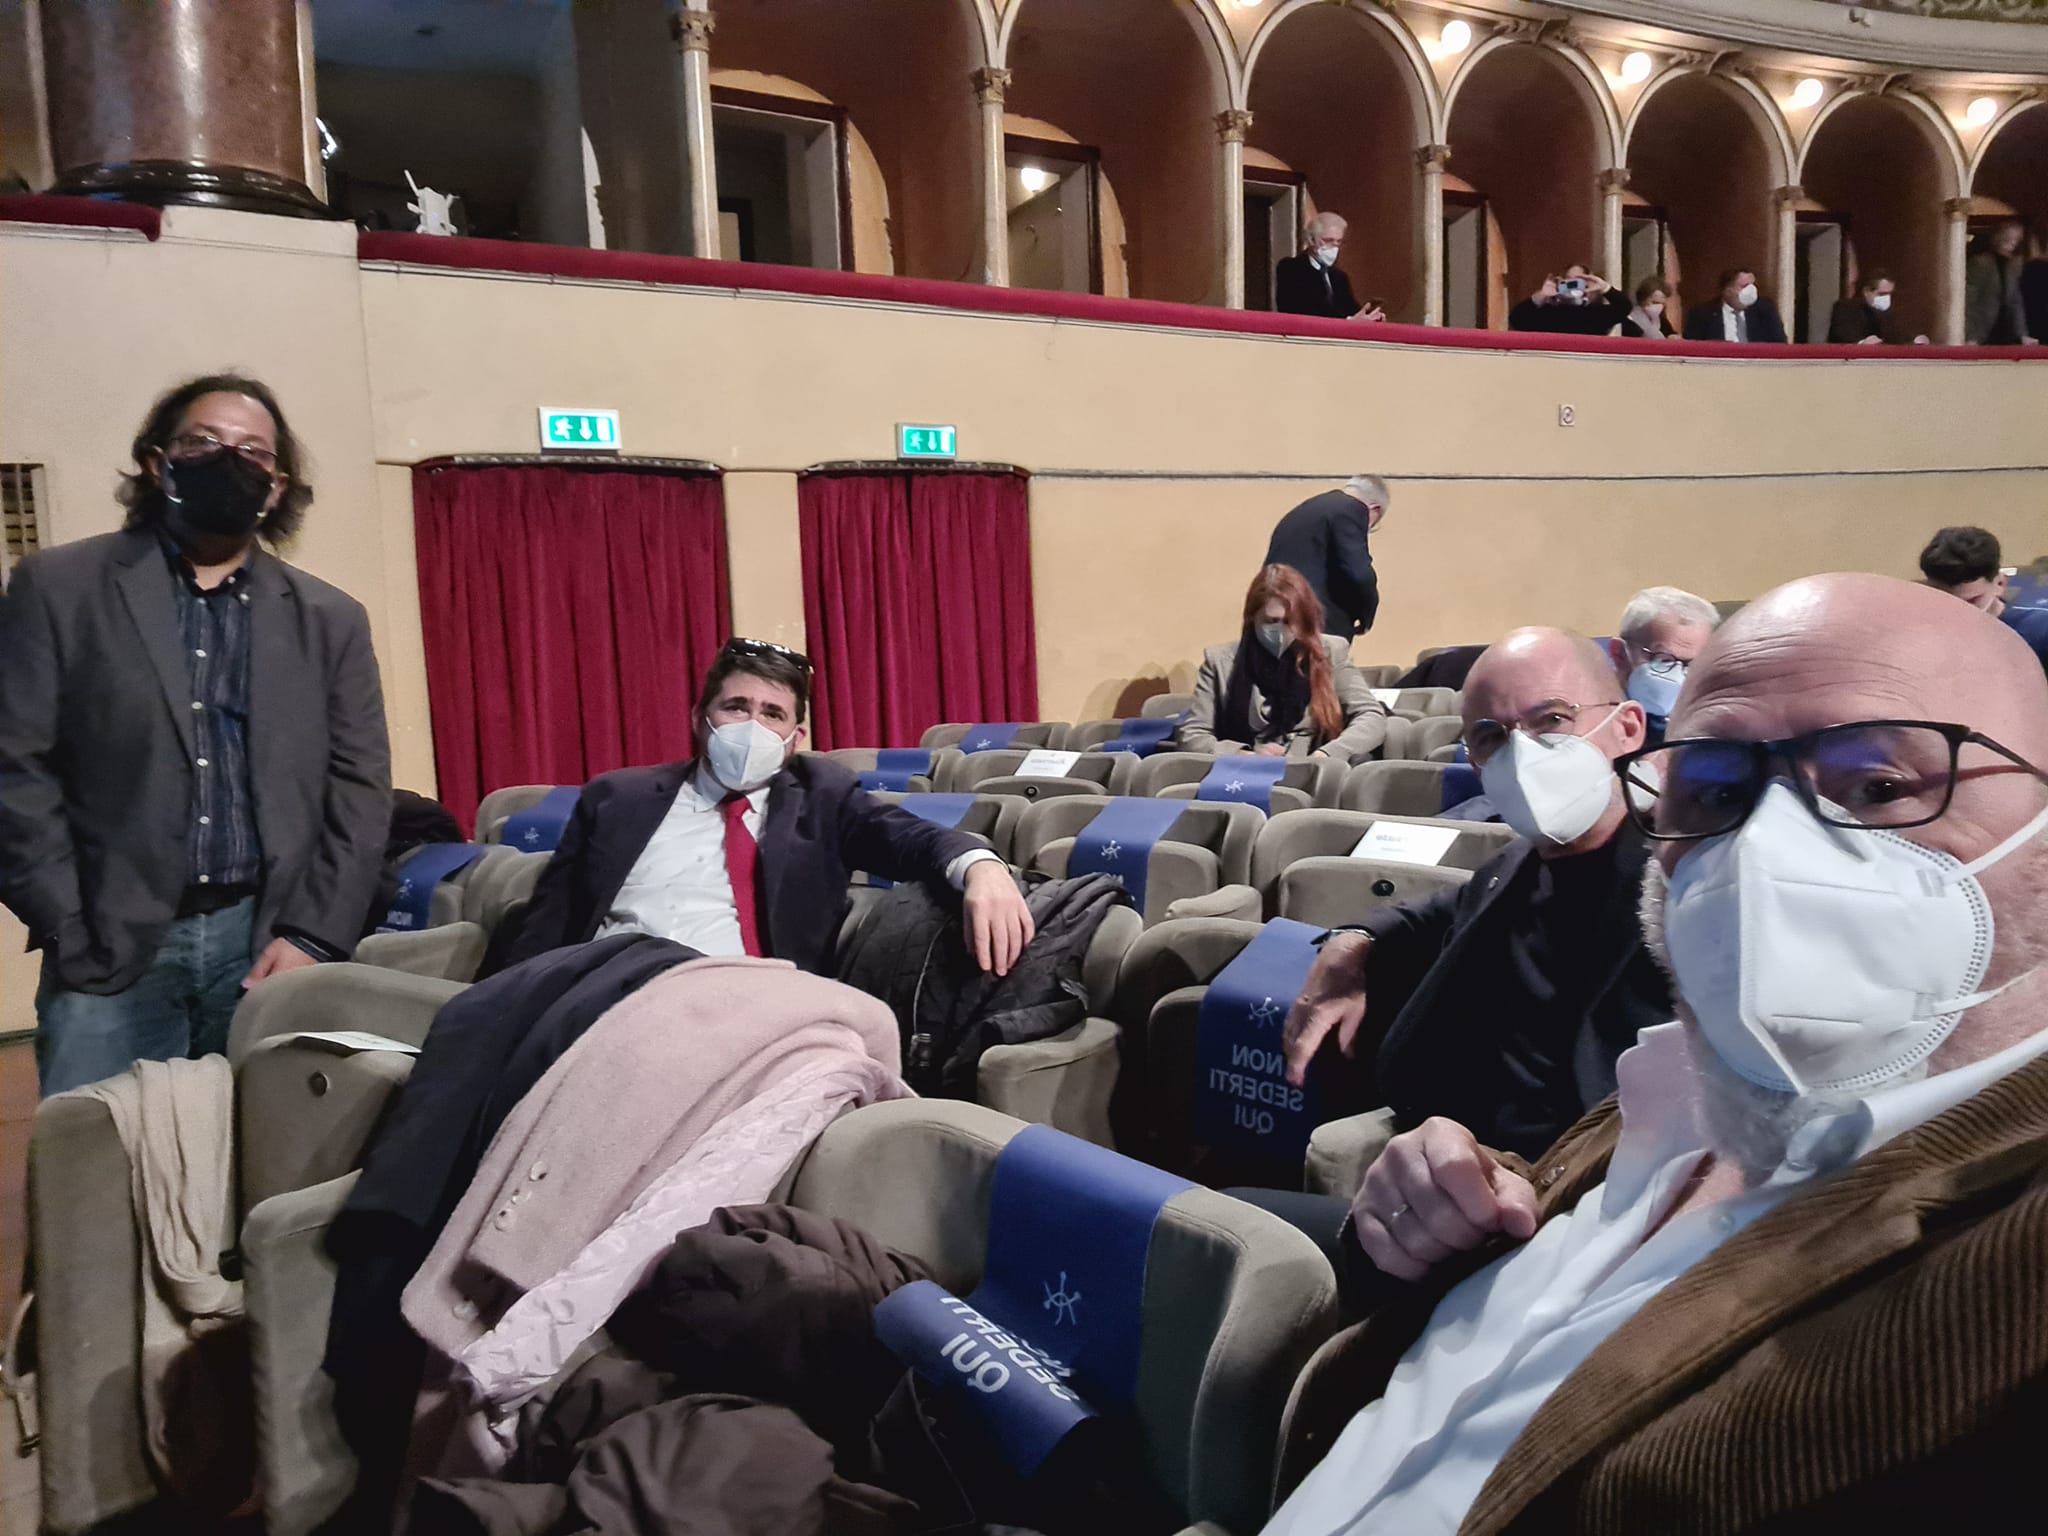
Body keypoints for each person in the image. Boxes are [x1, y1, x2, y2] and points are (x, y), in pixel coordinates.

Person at [1266, 573, 2048, 1535]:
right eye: (1717, 791)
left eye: (1878, 786)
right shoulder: (1671, 1084)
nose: (1765, 849)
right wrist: (1463, 1201)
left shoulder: (2008, 1264)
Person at [0, 374, 392, 1096]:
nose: (227, 460)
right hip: (110, 946)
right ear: (158, 462)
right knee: (99, 1154)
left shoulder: (330, 619)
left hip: (267, 945)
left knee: (261, 1151)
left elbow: (358, 787)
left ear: (276, 486)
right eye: (203, 442)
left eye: (252, 451)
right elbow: (15, 766)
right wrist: (64, 922)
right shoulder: (59, 587)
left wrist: (313, 935)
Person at [1281, 628, 1671, 1160]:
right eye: (1492, 737)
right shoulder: (1516, 865)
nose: (1523, 755)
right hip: (1449, 1153)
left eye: (1552, 720)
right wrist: (1352, 941)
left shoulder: (1683, 888)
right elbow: (1440, 909)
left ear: (1627, 728)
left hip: (1578, 1178)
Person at [497, 638, 1035, 977]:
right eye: (736, 707)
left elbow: (911, 838)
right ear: (700, 718)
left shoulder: (823, 795)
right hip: (612, 989)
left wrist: (982, 868)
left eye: (772, 714)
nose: (752, 726)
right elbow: (548, 923)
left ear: (795, 738)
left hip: (753, 1001)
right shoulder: (618, 798)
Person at [1179, 566, 1389, 764]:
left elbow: (1370, 716)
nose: (1281, 630)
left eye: (1291, 621)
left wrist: (1329, 753)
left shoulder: (1330, 651)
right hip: (1249, 772)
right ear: (1252, 618)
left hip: (1314, 768)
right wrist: (1245, 755)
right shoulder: (1220, 662)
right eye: (1271, 621)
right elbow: (1193, 735)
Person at [1265, 475, 1388, 640]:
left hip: (1269, 612)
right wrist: (1366, 615)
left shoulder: (1305, 510)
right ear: (1374, 509)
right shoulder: (1352, 509)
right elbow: (1359, 573)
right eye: (1372, 525)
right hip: (1312, 620)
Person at [1918, 523, 2048, 673]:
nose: (1956, 612)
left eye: (1971, 602)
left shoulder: (2040, 631)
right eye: (1943, 600)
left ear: (2000, 584)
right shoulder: (1918, 631)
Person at [1610, 585, 1720, 743]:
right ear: (1619, 653)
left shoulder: (1704, 722)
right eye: (1664, 660)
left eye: (1691, 665)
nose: (1677, 677)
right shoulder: (1593, 717)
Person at [1275, 212, 1388, 322]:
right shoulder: (1291, 268)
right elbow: (1299, 310)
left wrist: (1369, 317)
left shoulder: (1339, 277)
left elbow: (1351, 310)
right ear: (1311, 239)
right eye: (1328, 240)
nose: (1334, 247)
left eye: (1338, 242)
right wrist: (1348, 322)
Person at [1964, 219, 2037, 345]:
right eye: (2008, 239)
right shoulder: (1980, 263)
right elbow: (1969, 302)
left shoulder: (2011, 267)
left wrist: (2022, 334)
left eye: (2016, 240)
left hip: (2006, 331)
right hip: (1982, 332)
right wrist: (1970, 335)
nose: (2012, 244)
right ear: (1998, 238)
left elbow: (2016, 303)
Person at [1506, 265, 1628, 336]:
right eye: (1568, 279)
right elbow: (1517, 319)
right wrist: (1541, 295)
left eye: (1578, 280)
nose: (1571, 284)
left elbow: (1624, 308)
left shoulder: (1596, 314)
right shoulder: (1547, 313)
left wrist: (1604, 287)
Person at [1681, 267, 1786, 343]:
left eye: (1753, 286)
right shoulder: (1702, 314)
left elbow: (1780, 344)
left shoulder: (1765, 310)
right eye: (1744, 286)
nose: (1751, 291)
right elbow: (1693, 347)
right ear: (1728, 291)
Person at [1826, 268, 1926, 345]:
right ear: (1866, 291)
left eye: (1890, 294)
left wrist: (1914, 339)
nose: (1887, 298)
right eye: (1882, 294)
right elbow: (1842, 335)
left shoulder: (1887, 313)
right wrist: (1862, 342)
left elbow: (1898, 334)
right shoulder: (1844, 308)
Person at [1617, 274, 1673, 339]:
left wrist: (1672, 336)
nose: (1659, 307)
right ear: (1642, 299)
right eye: (1655, 302)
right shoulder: (1629, 321)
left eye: (1663, 304)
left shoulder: (1662, 321)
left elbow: (1671, 334)